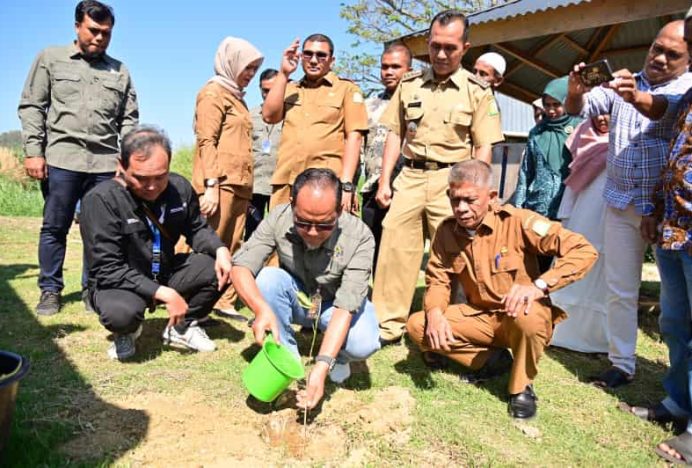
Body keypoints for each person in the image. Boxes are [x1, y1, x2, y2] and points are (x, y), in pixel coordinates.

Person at [406, 160, 598, 419]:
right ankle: (492, 362)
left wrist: (538, 286)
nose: (461, 209)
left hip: (520, 315)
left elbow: (583, 250)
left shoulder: (518, 222)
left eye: (470, 200)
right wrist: (436, 313)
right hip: (481, 317)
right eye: (454, 200)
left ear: (492, 197)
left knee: (528, 319)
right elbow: (438, 280)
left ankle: (521, 388)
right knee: (419, 325)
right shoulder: (447, 231)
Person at [566, 20, 692, 388]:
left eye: (673, 54)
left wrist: (633, 97)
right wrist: (575, 91)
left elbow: (663, 109)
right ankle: (621, 363)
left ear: (689, 60)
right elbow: (580, 109)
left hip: (668, 212)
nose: (661, 58)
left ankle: (678, 380)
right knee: (621, 288)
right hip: (621, 202)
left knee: (677, 304)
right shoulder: (622, 80)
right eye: (657, 48)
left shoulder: (687, 91)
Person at [373, 10, 504, 346]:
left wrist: (476, 191)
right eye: (435, 47)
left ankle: (459, 323)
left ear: (465, 48)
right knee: (394, 249)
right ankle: (387, 325)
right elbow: (393, 135)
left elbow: (483, 145)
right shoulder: (410, 84)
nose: (441, 54)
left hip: (453, 182)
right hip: (411, 177)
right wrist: (385, 181)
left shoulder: (477, 90)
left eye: (450, 47)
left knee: (457, 256)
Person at [18, 0, 138, 316]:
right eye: (93, 31)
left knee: (98, 231)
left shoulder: (119, 70)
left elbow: (129, 118)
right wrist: (34, 152)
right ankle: (50, 290)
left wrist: (124, 162)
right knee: (55, 227)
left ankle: (93, 289)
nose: (99, 38)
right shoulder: (51, 59)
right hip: (61, 159)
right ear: (77, 27)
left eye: (107, 33)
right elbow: (32, 106)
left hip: (105, 164)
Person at [231, 168, 380, 410]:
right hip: (300, 300)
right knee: (267, 279)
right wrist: (260, 309)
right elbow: (240, 268)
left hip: (334, 306)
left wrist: (321, 366)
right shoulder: (278, 218)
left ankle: (338, 358)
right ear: (292, 205)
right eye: (303, 222)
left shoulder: (360, 237)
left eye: (323, 225)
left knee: (364, 341)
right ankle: (287, 356)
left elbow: (346, 307)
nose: (312, 232)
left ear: (340, 211)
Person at [80, 127, 233, 360]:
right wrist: (166, 294)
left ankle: (182, 327)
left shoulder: (179, 189)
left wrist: (220, 249)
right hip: (122, 282)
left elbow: (196, 228)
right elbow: (107, 269)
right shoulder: (101, 200)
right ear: (121, 166)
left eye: (160, 176)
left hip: (164, 270)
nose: (151, 186)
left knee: (221, 267)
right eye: (140, 178)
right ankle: (128, 331)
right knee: (120, 315)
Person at [626, 9, 692, 464]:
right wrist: (653, 206)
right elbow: (676, 152)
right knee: (673, 321)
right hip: (675, 224)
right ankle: (678, 401)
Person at [191, 36, 263, 318]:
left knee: (232, 245)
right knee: (211, 244)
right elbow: (206, 141)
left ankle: (219, 301)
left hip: (240, 185)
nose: (250, 75)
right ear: (231, 63)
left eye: (254, 69)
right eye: (247, 68)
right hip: (219, 184)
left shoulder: (237, 98)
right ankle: (192, 304)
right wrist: (210, 185)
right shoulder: (213, 94)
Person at [262, 34, 368, 213]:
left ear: (331, 60)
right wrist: (284, 73)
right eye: (308, 54)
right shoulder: (290, 88)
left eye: (321, 55)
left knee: (326, 237)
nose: (313, 60)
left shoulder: (347, 90)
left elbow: (354, 138)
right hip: (287, 182)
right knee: (281, 237)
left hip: (325, 185)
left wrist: (347, 185)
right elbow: (269, 116)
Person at [550, 114, 610, 353]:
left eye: (610, 111)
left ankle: (596, 337)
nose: (603, 118)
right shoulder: (583, 134)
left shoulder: (628, 140)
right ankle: (560, 329)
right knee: (575, 259)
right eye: (600, 111)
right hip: (581, 209)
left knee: (603, 268)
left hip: (613, 212)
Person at [512, 77, 582, 272]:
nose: (551, 110)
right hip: (538, 206)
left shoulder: (579, 128)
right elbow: (526, 172)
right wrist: (519, 208)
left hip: (567, 206)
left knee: (564, 258)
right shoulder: (536, 132)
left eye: (556, 105)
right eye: (547, 105)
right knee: (537, 258)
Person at [361, 43, 412, 274]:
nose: (388, 72)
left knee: (401, 250)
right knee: (371, 245)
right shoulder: (369, 106)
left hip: (408, 187)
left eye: (395, 67)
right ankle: (373, 300)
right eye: (384, 67)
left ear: (408, 70)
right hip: (373, 188)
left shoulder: (418, 102)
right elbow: (358, 147)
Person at [246, 68, 282, 241]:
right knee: (252, 234)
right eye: (265, 90)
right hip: (255, 187)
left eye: (273, 89)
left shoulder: (291, 115)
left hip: (279, 187)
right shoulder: (250, 116)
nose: (268, 94)